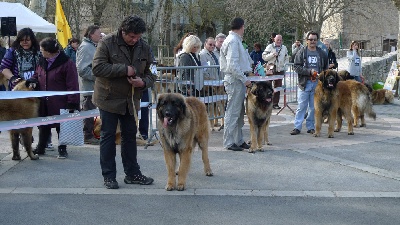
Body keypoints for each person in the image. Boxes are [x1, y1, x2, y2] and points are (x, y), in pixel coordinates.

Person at [92, 15, 155, 189]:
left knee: (130, 137)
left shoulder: (145, 47)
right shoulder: (107, 43)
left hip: (130, 100)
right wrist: (124, 69)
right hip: (108, 99)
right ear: (123, 31)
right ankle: (109, 176)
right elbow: (97, 68)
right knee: (108, 136)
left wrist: (144, 82)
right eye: (131, 36)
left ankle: (133, 173)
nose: (135, 40)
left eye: (138, 37)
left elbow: (153, 71)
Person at [26, 37, 80, 158]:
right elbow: (37, 74)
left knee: (61, 126)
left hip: (60, 101)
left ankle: (62, 148)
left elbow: (73, 84)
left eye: (42, 50)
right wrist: (33, 80)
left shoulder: (66, 63)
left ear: (49, 51)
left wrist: (72, 102)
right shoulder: (42, 61)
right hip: (44, 101)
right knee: (43, 125)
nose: (40, 52)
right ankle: (41, 147)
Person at [220, 17, 252, 151]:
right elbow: (233, 65)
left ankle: (238, 140)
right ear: (241, 26)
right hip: (235, 80)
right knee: (233, 112)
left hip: (237, 79)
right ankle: (228, 141)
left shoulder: (235, 40)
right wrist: (244, 79)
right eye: (244, 27)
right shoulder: (233, 41)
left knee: (239, 113)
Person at [290, 31, 328, 135]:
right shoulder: (301, 52)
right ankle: (297, 127)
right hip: (304, 83)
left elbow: (326, 68)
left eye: (315, 40)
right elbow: (296, 67)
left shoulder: (322, 53)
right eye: (310, 39)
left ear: (317, 41)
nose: (312, 41)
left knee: (313, 107)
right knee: (301, 106)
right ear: (307, 41)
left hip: (317, 84)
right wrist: (309, 72)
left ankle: (310, 127)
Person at [76, 25, 103, 145]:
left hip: (94, 87)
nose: (101, 36)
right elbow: (82, 70)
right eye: (99, 34)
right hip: (88, 88)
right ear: (91, 34)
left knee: (92, 112)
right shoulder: (86, 48)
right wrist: (99, 76)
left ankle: (91, 134)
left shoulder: (92, 46)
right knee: (88, 112)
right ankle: (87, 135)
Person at [262, 34, 289, 109]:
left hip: (280, 69)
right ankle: (266, 102)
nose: (279, 41)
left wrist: (285, 67)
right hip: (270, 69)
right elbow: (264, 56)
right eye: (278, 40)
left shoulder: (284, 48)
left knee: (278, 87)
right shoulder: (270, 46)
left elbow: (286, 58)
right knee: (268, 86)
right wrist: (272, 55)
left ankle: (275, 103)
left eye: (280, 40)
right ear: (274, 39)